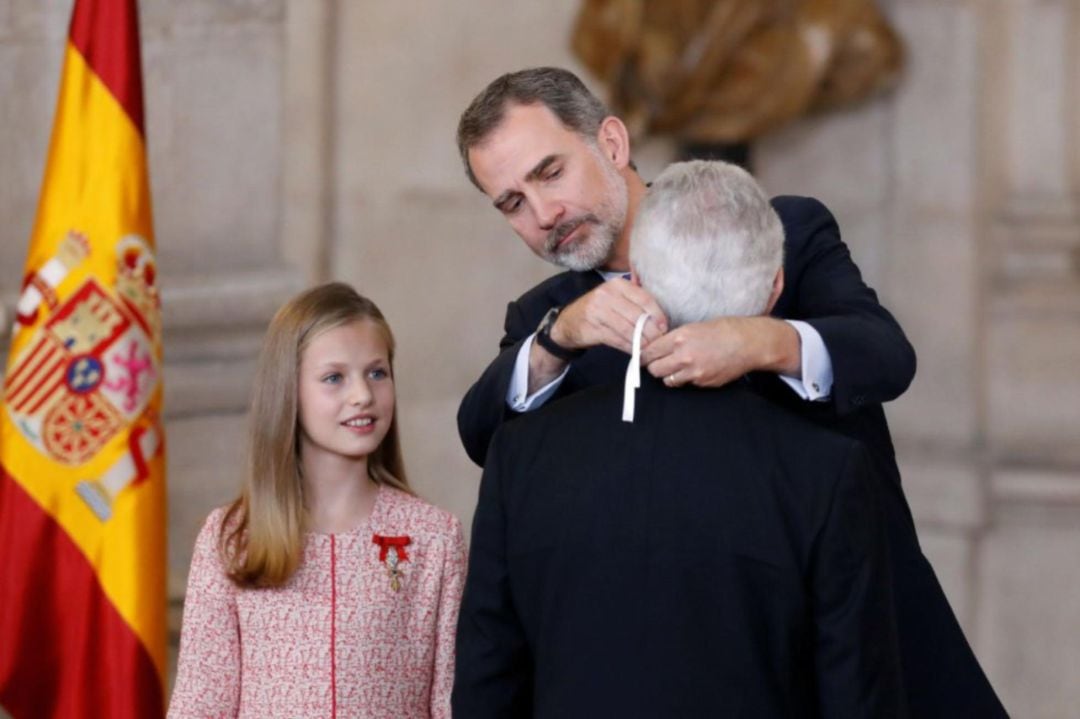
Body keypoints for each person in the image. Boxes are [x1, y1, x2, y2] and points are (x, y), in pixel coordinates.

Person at [454, 67, 1007, 717]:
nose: (543, 214)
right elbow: (482, 432)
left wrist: (760, 340)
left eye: (549, 173)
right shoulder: (546, 317)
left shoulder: (784, 234)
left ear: (610, 142)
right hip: (695, 675)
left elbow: (886, 355)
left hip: (870, 653)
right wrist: (557, 338)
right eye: (512, 203)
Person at [168, 283, 465, 719]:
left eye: (377, 372)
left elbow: (450, 703)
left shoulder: (433, 538)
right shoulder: (232, 537)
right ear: (289, 392)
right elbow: (201, 704)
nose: (362, 394)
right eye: (334, 377)